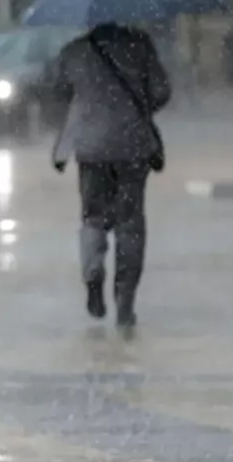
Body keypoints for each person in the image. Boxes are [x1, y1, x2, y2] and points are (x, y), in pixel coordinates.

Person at [50, 22, 170, 328]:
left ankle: (92, 274)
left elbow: (59, 95)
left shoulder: (74, 51)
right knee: (130, 223)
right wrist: (134, 105)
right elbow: (161, 92)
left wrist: (92, 104)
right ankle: (125, 299)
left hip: (90, 149)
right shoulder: (140, 45)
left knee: (93, 217)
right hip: (132, 147)